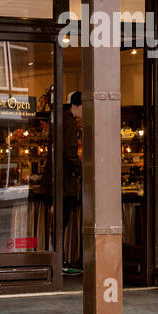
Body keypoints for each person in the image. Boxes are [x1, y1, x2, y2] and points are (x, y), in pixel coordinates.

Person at [61, 91, 83, 275]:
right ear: (75, 106)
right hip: (65, 183)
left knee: (61, 222)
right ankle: (60, 261)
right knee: (62, 222)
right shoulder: (70, 124)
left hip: (60, 181)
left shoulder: (62, 120)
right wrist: (83, 171)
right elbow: (70, 154)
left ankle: (58, 260)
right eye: (83, 107)